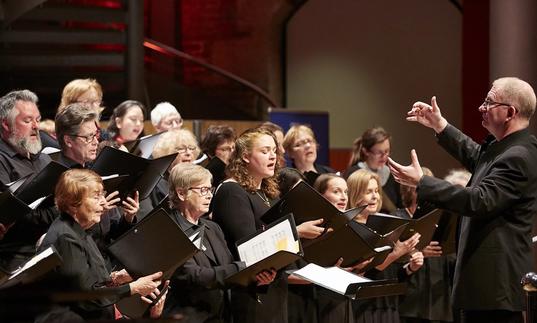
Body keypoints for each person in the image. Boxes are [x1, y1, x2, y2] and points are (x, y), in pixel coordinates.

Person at [387, 77, 537, 323]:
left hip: (494, 285)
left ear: (510, 112)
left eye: (489, 102)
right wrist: (440, 125)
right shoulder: (508, 148)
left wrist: (422, 182)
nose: (481, 107)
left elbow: (480, 200)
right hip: (487, 287)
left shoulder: (518, 156)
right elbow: (478, 157)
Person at [37, 169, 165, 321]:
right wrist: (134, 287)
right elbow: (86, 297)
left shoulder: (79, 228)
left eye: (102, 195)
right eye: (96, 197)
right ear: (73, 204)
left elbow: (83, 280)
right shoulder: (66, 237)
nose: (104, 202)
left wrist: (114, 279)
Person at [164, 163, 274, 322]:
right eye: (202, 190)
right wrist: (243, 267)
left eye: (210, 189)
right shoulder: (170, 231)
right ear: (181, 193)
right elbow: (193, 276)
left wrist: (256, 279)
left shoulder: (213, 228)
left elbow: (229, 269)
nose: (209, 195)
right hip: (188, 318)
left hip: (222, 316)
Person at [211, 127, 288, 323]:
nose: (272, 156)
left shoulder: (269, 192)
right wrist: (297, 232)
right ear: (245, 156)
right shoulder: (231, 191)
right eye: (264, 151)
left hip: (272, 284)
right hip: (246, 291)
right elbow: (246, 243)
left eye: (274, 151)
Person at [54, 103, 140, 270]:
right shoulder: (60, 179)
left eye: (96, 135)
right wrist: (95, 214)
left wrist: (128, 217)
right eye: (88, 137)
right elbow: (65, 235)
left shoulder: (94, 172)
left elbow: (112, 233)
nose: (95, 142)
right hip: (84, 265)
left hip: (107, 261)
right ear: (68, 140)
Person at [347, 169, 423, 323]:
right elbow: (362, 272)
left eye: (376, 191)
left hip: (389, 304)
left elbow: (392, 272)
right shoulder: (351, 228)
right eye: (368, 192)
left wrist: (411, 267)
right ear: (355, 194)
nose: (375, 196)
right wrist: (396, 253)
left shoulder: (387, 225)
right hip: (364, 307)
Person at [0, 89, 58, 272]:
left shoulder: (44, 159)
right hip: (17, 258)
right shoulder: (1, 160)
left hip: (51, 247)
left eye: (38, 119)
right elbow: (18, 216)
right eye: (27, 120)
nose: (36, 126)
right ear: (6, 124)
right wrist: (64, 209)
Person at [344, 127, 402, 212]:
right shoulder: (353, 173)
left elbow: (399, 206)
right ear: (366, 151)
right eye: (379, 152)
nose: (384, 156)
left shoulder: (392, 174)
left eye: (387, 151)